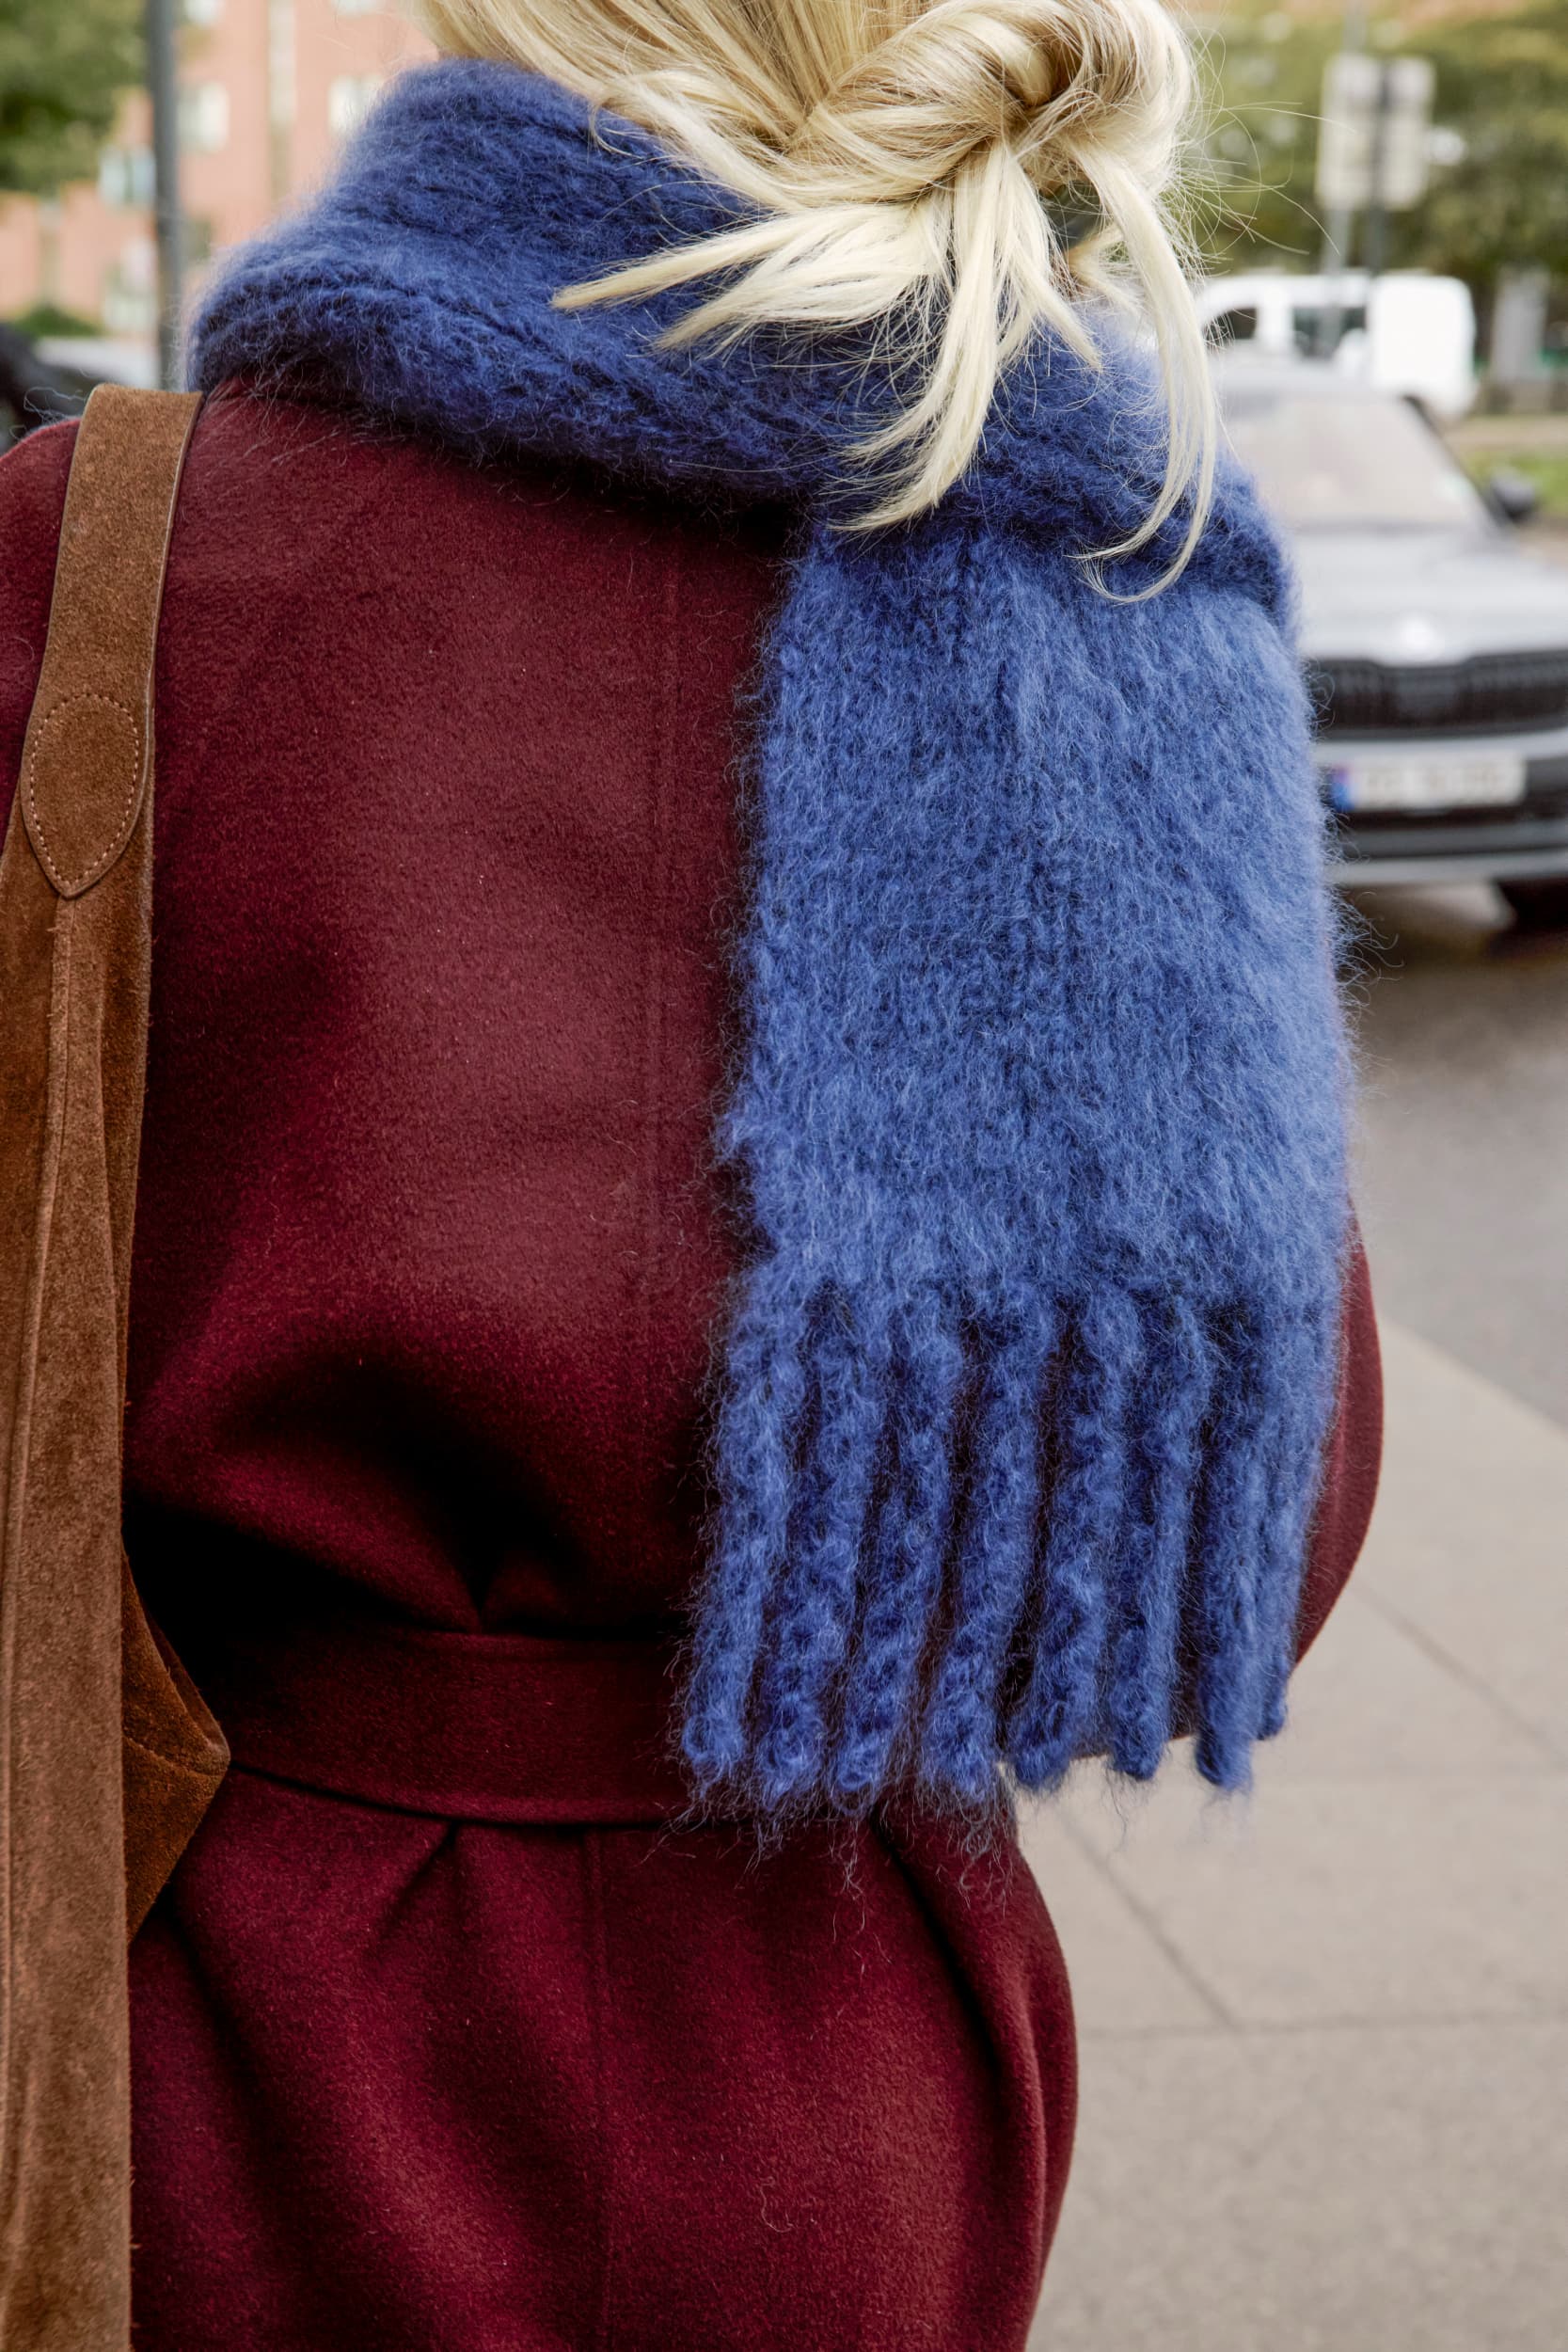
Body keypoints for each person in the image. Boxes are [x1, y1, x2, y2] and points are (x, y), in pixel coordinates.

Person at [0, 2, 1381, 2344]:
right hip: (845, 2066)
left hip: (226, 2035)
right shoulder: (1130, 591)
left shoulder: (105, 558)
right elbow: (1282, 1496)